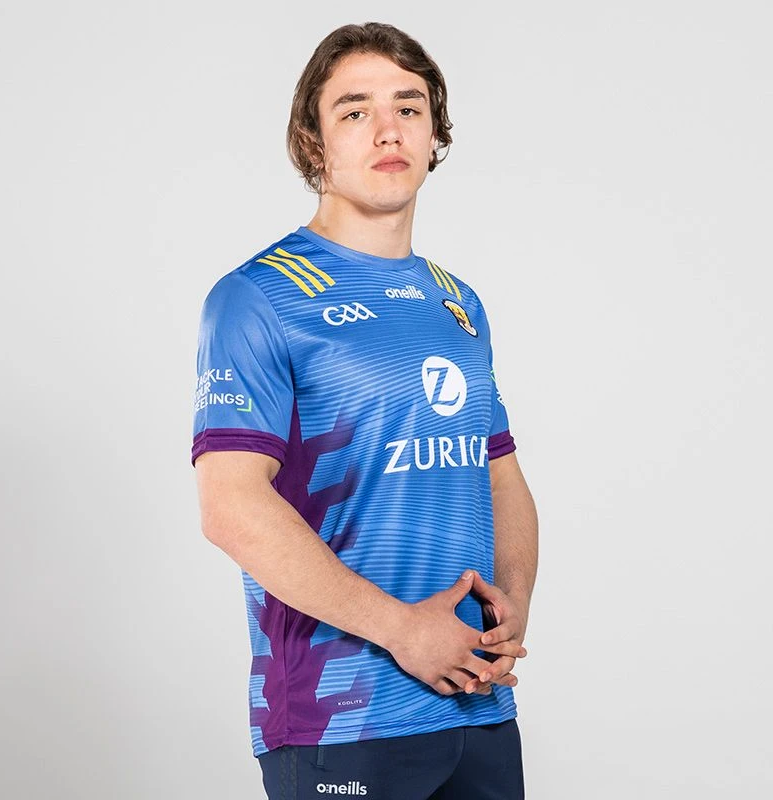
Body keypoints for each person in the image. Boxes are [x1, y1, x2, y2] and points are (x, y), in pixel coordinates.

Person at [191, 21, 538, 800]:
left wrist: (512, 601)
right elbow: (230, 506)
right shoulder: (258, 298)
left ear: (434, 133)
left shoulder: (457, 301)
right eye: (355, 111)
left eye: (408, 108)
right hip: (341, 722)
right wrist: (402, 629)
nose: (388, 129)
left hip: (478, 705)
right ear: (313, 143)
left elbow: (500, 474)